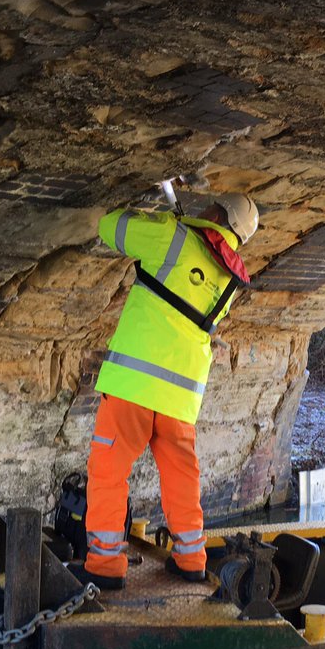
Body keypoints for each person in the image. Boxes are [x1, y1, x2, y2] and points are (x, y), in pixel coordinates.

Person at [72, 190, 259, 590]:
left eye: (211, 205)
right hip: (180, 398)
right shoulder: (228, 281)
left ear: (216, 214)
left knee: (108, 472)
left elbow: (110, 226)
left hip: (134, 385)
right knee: (180, 477)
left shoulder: (172, 236)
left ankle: (105, 565)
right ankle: (191, 559)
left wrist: (155, 217)